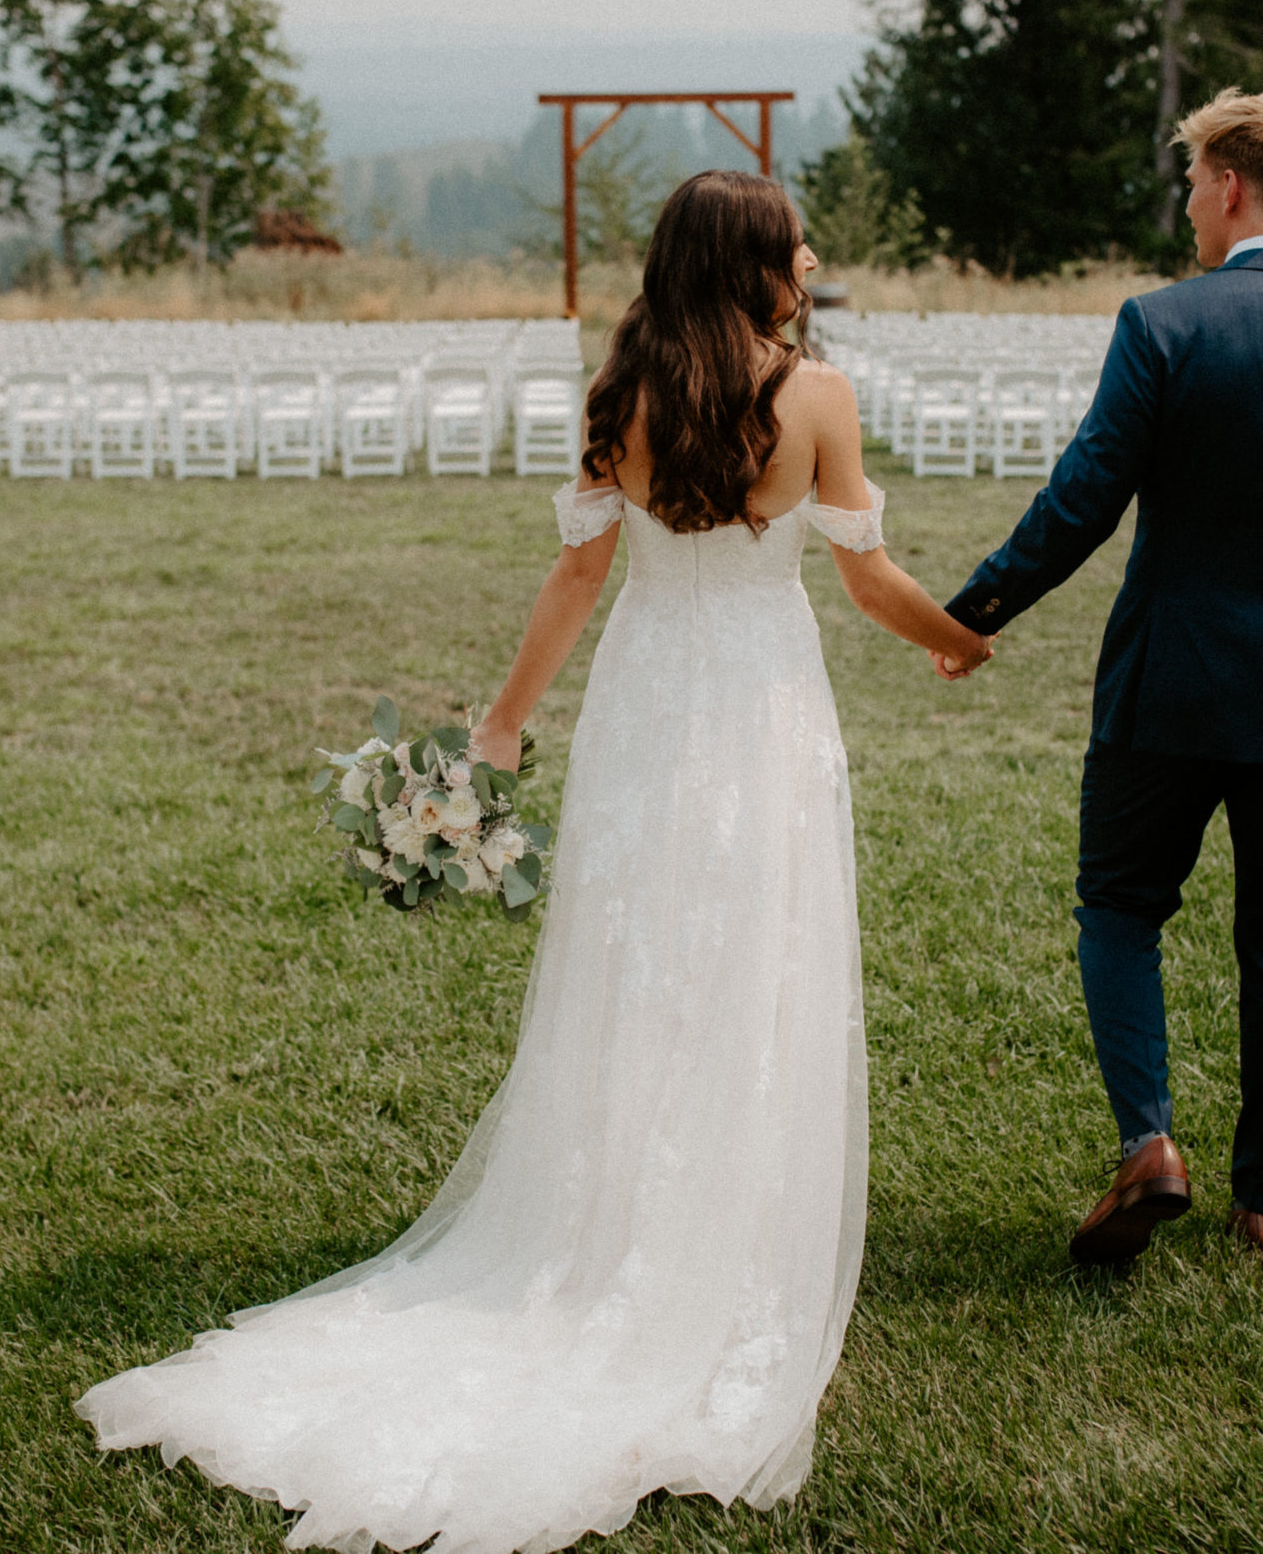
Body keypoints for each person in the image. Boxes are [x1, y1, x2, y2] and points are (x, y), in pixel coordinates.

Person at [75, 170, 993, 1554]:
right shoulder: (815, 397)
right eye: (793, 237)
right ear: (750, 258)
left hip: (645, 701)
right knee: (754, 956)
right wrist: (956, 632)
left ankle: (614, 1225)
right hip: (757, 709)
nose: (809, 252)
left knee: (634, 967)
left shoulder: (620, 391)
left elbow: (575, 578)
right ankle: (718, 1249)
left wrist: (504, 725)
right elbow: (865, 578)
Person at [935, 87, 1263, 1267]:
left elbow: (1082, 498)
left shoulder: (1163, 324)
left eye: (1191, 183)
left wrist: (973, 612)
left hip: (1164, 691)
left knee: (1119, 905)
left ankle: (1149, 1144)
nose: (1187, 206)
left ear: (1229, 185)